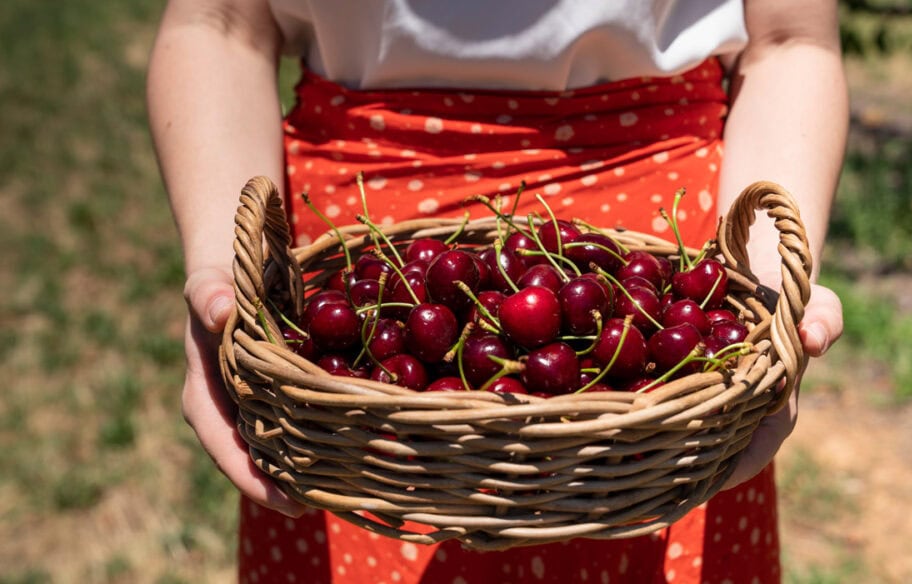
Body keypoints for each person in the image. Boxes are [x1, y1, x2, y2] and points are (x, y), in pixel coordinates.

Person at [147, 1, 847, 582]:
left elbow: (789, 40)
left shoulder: (689, 334)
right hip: (357, 357)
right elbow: (221, 25)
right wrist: (225, 274)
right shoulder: (344, 356)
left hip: (667, 339)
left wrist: (762, 294)